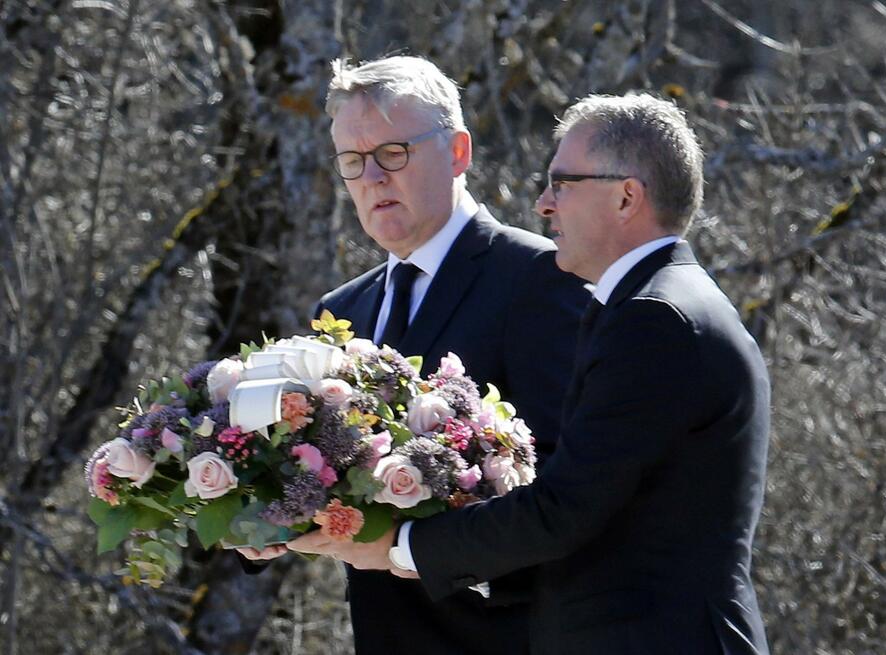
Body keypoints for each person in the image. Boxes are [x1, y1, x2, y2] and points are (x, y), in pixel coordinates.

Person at [293, 93, 772, 654]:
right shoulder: (648, 305)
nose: (544, 204)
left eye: (563, 184)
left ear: (626, 197)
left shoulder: (655, 318)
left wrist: (402, 545)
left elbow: (564, 507)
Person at [241, 56, 588, 655]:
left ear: (458, 152)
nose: (372, 177)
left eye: (393, 153)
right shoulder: (343, 308)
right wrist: (263, 517)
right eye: (353, 161)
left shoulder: (538, 277)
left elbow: (566, 486)